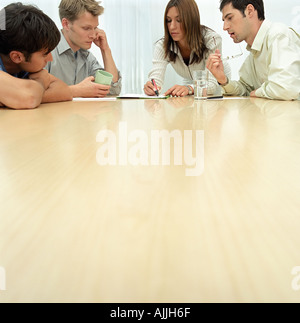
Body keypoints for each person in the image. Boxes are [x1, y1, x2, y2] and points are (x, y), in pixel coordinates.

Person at [206, 0, 300, 101]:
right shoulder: (254, 52)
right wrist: (223, 80)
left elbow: (286, 89)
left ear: (250, 11)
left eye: (230, 18)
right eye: (224, 20)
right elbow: (245, 89)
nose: (225, 27)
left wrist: (258, 92)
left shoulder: (279, 35)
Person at [144, 0, 231, 97]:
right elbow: (156, 79)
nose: (172, 27)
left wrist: (189, 88)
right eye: (169, 20)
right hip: (192, 82)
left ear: (191, 20)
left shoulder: (211, 39)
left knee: (211, 109)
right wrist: (151, 87)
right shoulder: (163, 45)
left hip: (217, 82)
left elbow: (211, 83)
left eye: (179, 20)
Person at [0, 3, 72, 110]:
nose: (50, 59)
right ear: (17, 57)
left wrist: (10, 98)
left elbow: (64, 91)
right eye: (45, 54)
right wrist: (41, 82)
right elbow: (29, 99)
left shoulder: (23, 66)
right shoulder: (32, 70)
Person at [46, 0, 121, 98]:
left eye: (95, 28)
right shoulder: (45, 51)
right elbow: (34, 94)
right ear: (66, 24)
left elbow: (112, 91)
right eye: (86, 28)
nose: (93, 35)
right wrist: (76, 91)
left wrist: (105, 49)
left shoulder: (87, 57)